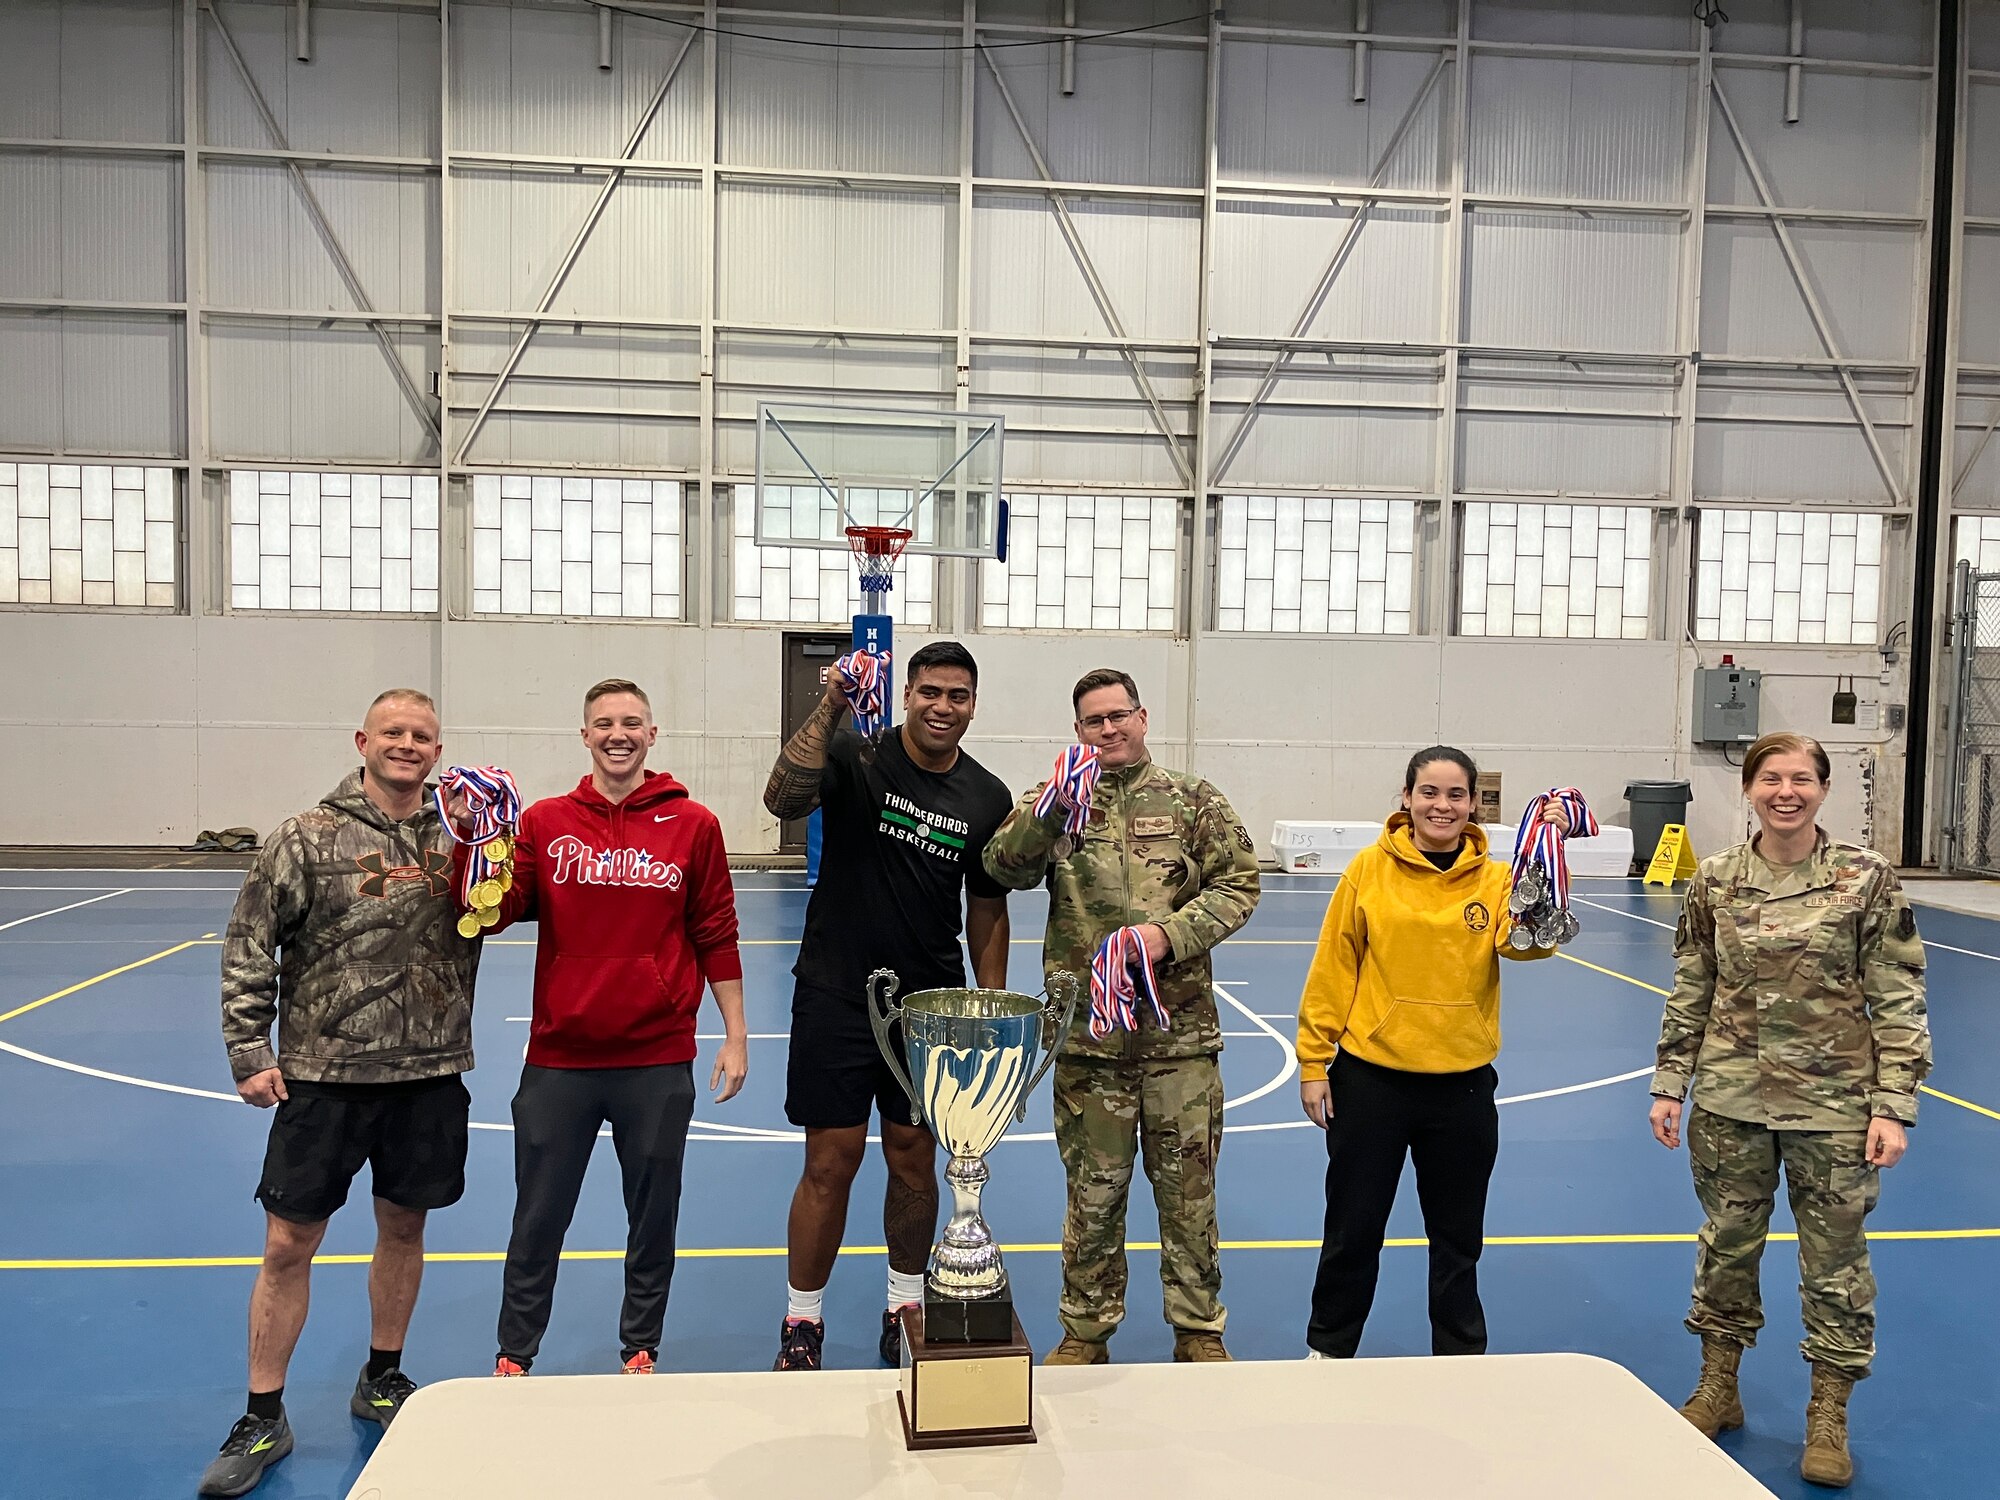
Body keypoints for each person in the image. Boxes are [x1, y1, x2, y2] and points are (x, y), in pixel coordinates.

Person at [204, 689, 481, 1498]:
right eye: (393, 732)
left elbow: (505, 908)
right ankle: (263, 1414)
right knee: (289, 1246)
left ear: (437, 749)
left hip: (429, 1073)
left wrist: (493, 840)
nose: (407, 745)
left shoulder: (464, 838)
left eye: (422, 736)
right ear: (363, 740)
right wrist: (249, 1050)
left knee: (403, 1232)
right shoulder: (304, 836)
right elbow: (250, 942)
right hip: (323, 1078)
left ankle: (383, 1376)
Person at [1649, 732, 1930, 1490]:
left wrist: (1892, 1104)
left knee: (1834, 1264)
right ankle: (1719, 1384)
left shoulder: (1863, 877)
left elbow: (1899, 994)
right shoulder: (1714, 879)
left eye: (1801, 778)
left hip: (1836, 1106)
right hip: (1732, 1102)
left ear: (1822, 790)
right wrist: (1671, 1081)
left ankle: (1828, 1412)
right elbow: (1692, 984)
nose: (1786, 791)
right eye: (1771, 778)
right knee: (1728, 1245)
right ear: (1748, 789)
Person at [470, 679, 748, 1378]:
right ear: (585, 736)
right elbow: (498, 912)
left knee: (653, 1217)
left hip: (655, 1059)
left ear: (652, 735)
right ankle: (514, 1354)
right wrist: (479, 852)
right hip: (559, 1059)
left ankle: (641, 1346)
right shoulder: (543, 821)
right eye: (603, 723)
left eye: (631, 722)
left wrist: (735, 1034)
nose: (617, 734)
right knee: (537, 1218)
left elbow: (715, 930)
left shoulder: (695, 825)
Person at [983, 667, 1261, 1365]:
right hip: (1088, 1039)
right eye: (1092, 721)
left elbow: (1239, 883)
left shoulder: (1195, 800)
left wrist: (1171, 935)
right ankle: (1084, 1331)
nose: (1108, 730)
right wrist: (1049, 810)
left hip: (1180, 1038)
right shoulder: (1054, 804)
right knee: (1093, 1196)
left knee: (1189, 1193)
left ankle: (1198, 1329)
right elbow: (1002, 867)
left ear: (1142, 718)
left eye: (1118, 716)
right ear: (1078, 731)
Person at [762, 640, 1014, 1371]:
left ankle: (905, 1303)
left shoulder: (986, 797)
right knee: (828, 1163)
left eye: (958, 695)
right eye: (930, 691)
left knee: (914, 1160)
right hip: (836, 992)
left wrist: (989, 1008)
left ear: (972, 705)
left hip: (928, 1006)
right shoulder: (853, 755)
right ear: (907, 694)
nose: (943, 706)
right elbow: (781, 798)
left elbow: (988, 906)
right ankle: (801, 1320)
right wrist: (834, 699)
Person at [1293, 746, 1565, 1361]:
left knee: (1458, 1240)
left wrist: (1544, 882)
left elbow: (1525, 950)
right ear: (1407, 799)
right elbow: (1334, 965)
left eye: (1455, 795)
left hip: (1463, 1088)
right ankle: (1328, 1352)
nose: (1441, 806)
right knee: (1352, 1232)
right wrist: (1315, 1061)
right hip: (1371, 1083)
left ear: (1473, 805)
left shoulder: (1498, 878)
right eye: (1429, 793)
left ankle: (1460, 1359)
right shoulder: (1368, 868)